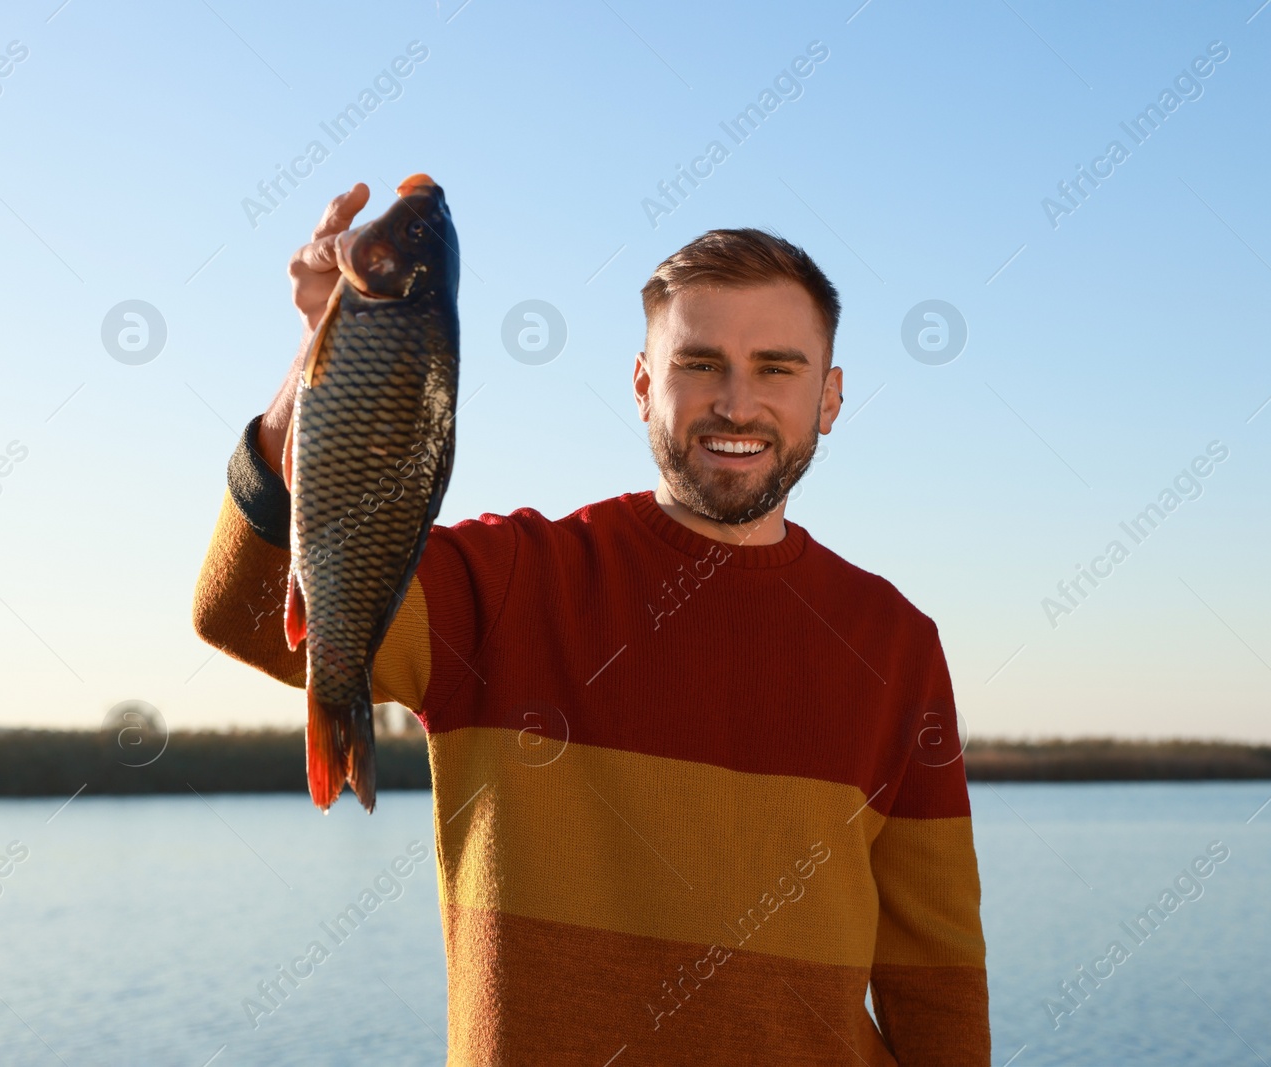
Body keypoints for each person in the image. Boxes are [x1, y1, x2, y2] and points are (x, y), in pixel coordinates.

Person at [193, 181, 990, 1064]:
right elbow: (245, 613)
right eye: (698, 363)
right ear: (644, 384)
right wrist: (324, 370)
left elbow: (937, 979)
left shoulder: (895, 641)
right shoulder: (510, 580)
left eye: (777, 366)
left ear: (830, 399)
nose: (735, 401)